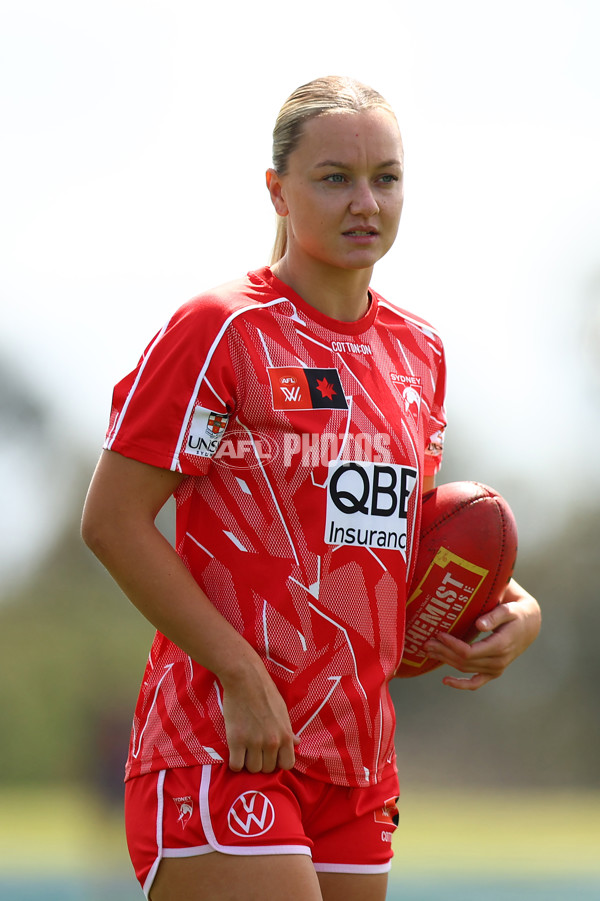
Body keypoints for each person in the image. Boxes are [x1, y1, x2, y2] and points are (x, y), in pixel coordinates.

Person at [81, 76, 541, 901]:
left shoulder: (420, 353)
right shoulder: (220, 329)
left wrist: (509, 610)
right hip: (226, 743)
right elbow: (113, 522)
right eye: (334, 177)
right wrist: (240, 675)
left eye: (386, 177)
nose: (365, 201)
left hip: (357, 763)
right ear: (278, 191)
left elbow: (389, 550)